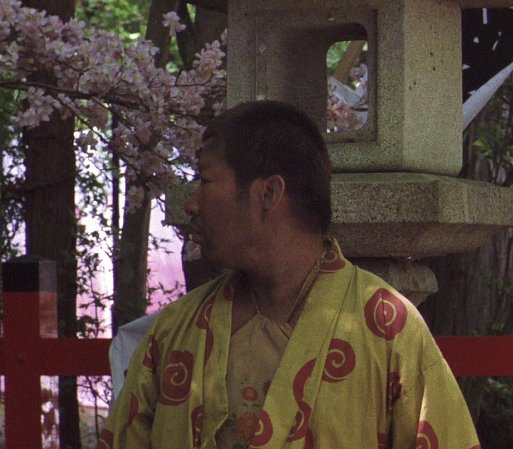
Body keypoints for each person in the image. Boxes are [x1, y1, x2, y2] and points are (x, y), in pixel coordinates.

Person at [99, 101, 481, 449]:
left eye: (205, 180)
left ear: (268, 194)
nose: (192, 204)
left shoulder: (386, 328)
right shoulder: (174, 331)